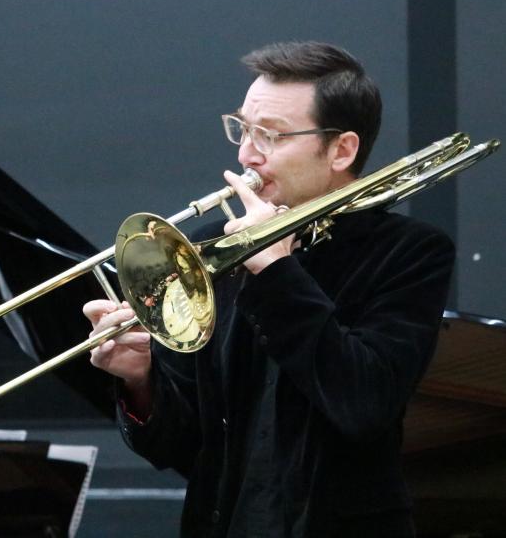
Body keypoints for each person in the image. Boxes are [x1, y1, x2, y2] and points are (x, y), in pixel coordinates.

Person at [84, 41, 455, 537]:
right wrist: (141, 382)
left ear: (342, 149)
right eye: (242, 128)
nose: (245, 153)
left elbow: (363, 405)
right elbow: (181, 446)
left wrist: (278, 272)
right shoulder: (207, 250)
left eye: (271, 136)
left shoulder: (410, 253)